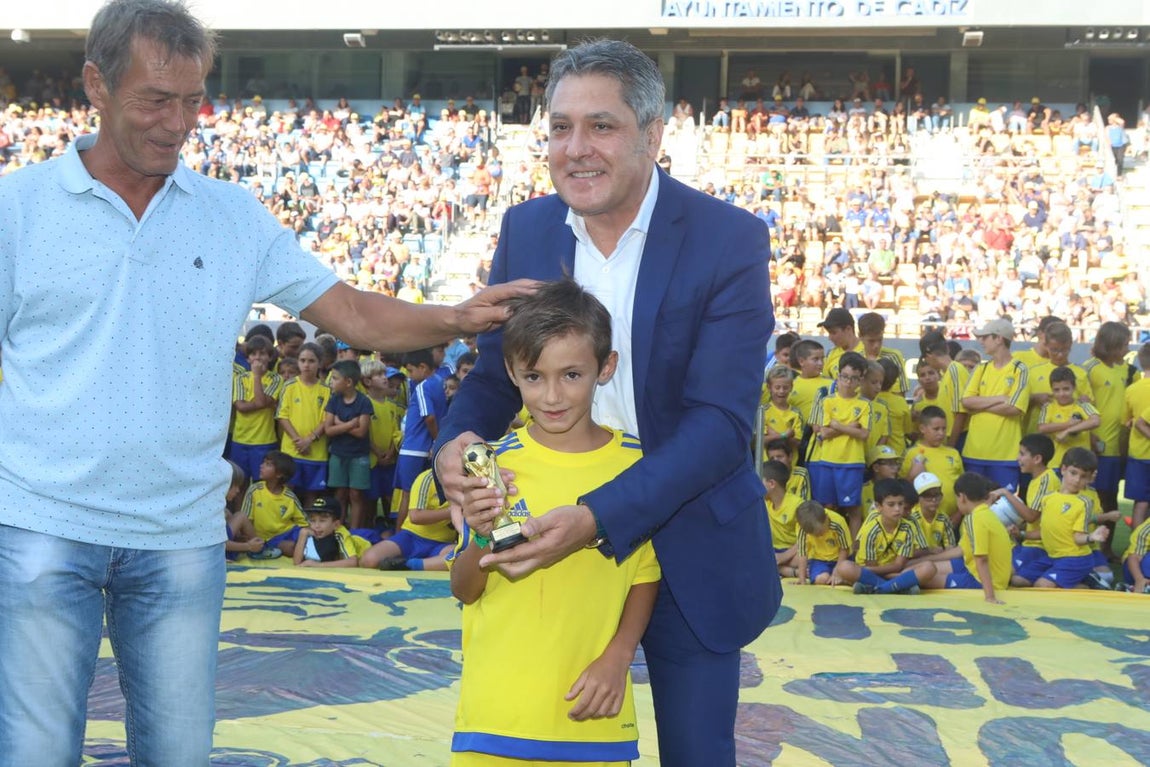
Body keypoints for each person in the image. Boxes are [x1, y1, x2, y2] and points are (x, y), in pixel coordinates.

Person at [0, 2, 526, 763]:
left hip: (179, 534)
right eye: (156, 99)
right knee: (34, 751)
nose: (179, 123)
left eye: (192, 99)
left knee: (178, 752)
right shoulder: (18, 209)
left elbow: (349, 311)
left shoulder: (231, 216)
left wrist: (453, 317)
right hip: (42, 525)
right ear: (96, 85)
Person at [434, 39, 779, 766]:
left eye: (601, 126)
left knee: (696, 754)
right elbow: (499, 376)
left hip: (687, 549)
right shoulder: (525, 228)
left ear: (654, 134)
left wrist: (596, 515)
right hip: (545, 549)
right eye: (560, 127)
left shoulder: (728, 240)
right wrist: (455, 445)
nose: (576, 148)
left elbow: (720, 425)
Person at [449, 280, 660, 764]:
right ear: (511, 372)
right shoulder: (490, 463)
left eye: (570, 374)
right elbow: (464, 590)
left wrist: (619, 656)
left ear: (604, 368)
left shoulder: (639, 467)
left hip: (591, 710)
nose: (550, 396)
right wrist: (481, 536)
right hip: (494, 715)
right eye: (533, 376)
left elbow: (646, 574)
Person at [918, 472, 1012, 604]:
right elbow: (961, 550)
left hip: (980, 580)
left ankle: (886, 582)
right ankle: (891, 576)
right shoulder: (984, 513)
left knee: (922, 577)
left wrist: (990, 596)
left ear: (961, 497)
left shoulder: (975, 518)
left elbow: (982, 559)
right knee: (919, 567)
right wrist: (924, 558)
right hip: (971, 568)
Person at [961, 319, 1030, 492]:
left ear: (998, 339)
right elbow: (966, 401)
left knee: (1003, 511)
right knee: (973, 505)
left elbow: (1015, 408)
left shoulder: (1019, 369)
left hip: (1005, 454)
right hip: (974, 451)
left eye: (985, 337)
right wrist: (999, 398)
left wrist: (980, 405)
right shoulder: (981, 369)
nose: (981, 341)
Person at [836, 478, 937, 595]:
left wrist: (893, 572)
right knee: (844, 567)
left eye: (900, 504)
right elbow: (871, 566)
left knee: (929, 568)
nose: (897, 509)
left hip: (892, 570)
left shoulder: (909, 528)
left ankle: (878, 588)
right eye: (891, 505)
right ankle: (899, 586)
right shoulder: (871, 529)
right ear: (878, 506)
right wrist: (894, 575)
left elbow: (899, 565)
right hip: (875, 571)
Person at [809, 351, 870, 539]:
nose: (848, 382)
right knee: (827, 507)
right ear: (838, 376)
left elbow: (864, 434)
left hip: (852, 462)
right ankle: (828, 546)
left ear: (860, 381)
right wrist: (850, 426)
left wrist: (838, 425)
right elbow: (823, 433)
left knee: (853, 509)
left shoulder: (865, 405)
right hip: (827, 460)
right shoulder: (827, 401)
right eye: (845, 377)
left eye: (854, 378)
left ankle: (852, 553)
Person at [1034, 448, 1109, 589]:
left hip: (1075, 558)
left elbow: (1077, 537)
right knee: (1018, 580)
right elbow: (1045, 529)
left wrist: (1091, 537)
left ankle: (1089, 587)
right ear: (1063, 469)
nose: (1076, 480)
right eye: (1073, 473)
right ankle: (1084, 578)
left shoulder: (1084, 502)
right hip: (1053, 556)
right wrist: (1021, 533)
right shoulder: (1048, 498)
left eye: (1083, 476)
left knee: (1041, 586)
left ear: (1089, 479)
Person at [360, 467, 456, 571]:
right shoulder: (428, 478)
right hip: (411, 537)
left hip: (442, 544)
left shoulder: (468, 481)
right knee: (369, 560)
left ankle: (409, 564)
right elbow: (415, 516)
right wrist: (451, 512)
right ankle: (426, 563)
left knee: (459, 558)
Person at [275, 341, 330, 504]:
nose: (306, 365)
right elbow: (282, 415)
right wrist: (298, 440)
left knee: (312, 494)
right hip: (292, 450)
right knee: (288, 490)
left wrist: (310, 439)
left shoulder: (326, 390)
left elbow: (326, 419)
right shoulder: (289, 386)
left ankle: (310, 527)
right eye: (303, 360)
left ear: (320, 363)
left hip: (317, 451)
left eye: (311, 361)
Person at [901, 406, 964, 525]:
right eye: (936, 429)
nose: (941, 433)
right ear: (922, 428)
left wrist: (958, 514)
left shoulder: (953, 453)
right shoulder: (912, 453)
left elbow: (963, 488)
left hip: (952, 519)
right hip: (923, 522)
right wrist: (912, 475)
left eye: (944, 429)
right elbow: (902, 489)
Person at [242, 450, 306, 556]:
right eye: (263, 463)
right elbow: (246, 518)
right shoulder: (254, 490)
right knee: (290, 548)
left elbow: (304, 522)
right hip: (264, 539)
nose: (261, 466)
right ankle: (266, 549)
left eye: (268, 464)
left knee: (303, 540)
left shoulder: (290, 497)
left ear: (279, 474)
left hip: (286, 533)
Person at [1037, 367, 1101, 468]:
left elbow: (1095, 421)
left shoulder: (1082, 405)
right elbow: (1042, 428)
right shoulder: (1048, 407)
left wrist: (1068, 431)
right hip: (1056, 464)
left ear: (1074, 387)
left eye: (1066, 389)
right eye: (1056, 390)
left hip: (1080, 465)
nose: (1061, 394)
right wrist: (1067, 424)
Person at [793, 499, 851, 586]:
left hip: (840, 559)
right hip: (819, 560)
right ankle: (836, 579)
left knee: (849, 572)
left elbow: (844, 548)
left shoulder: (838, 522)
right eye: (814, 535)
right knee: (822, 579)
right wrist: (802, 579)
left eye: (820, 532)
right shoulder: (802, 528)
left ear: (825, 518)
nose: (818, 536)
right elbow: (802, 553)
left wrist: (837, 570)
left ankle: (844, 579)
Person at [293, 495, 361, 568]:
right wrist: (302, 534)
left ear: (336, 524)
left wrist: (317, 565)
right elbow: (297, 562)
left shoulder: (340, 534)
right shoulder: (309, 531)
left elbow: (353, 562)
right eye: (312, 520)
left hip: (363, 544)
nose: (316, 526)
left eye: (322, 521)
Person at [763, 460, 801, 579]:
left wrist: (783, 557)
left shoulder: (797, 504)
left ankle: (777, 569)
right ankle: (790, 572)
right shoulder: (763, 503)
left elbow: (806, 540)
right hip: (773, 551)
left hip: (793, 551)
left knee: (804, 558)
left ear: (772, 484)